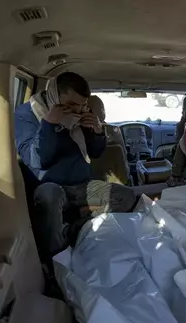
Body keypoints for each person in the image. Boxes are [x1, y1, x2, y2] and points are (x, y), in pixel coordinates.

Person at [15, 72, 136, 261]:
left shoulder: (81, 114)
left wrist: (96, 132)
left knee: (126, 196)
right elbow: (38, 160)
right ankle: (55, 259)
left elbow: (95, 152)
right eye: (70, 105)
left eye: (82, 106)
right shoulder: (27, 114)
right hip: (51, 187)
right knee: (49, 194)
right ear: (54, 94)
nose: (77, 111)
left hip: (81, 186)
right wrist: (49, 124)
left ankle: (73, 229)